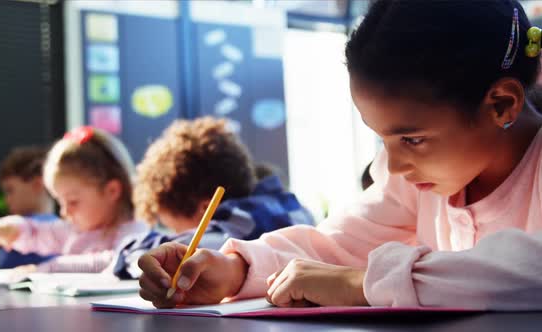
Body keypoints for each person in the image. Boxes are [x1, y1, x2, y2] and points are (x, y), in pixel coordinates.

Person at [136, 0, 542, 310]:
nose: (395, 164)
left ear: (501, 104)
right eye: (382, 139)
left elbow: (530, 269)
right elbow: (338, 244)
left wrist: (358, 283)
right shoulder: (412, 177)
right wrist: (235, 271)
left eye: (412, 139)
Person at [111, 117, 314, 279]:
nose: (176, 236)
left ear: (206, 209)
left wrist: (127, 252)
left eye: (176, 229)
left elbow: (166, 257)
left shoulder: (239, 225)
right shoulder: (290, 206)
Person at [0, 126, 148, 272]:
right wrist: (17, 229)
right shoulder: (74, 230)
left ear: (112, 191)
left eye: (72, 201)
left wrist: (49, 268)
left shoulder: (134, 233)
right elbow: (40, 233)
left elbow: (115, 261)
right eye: (60, 202)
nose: (65, 212)